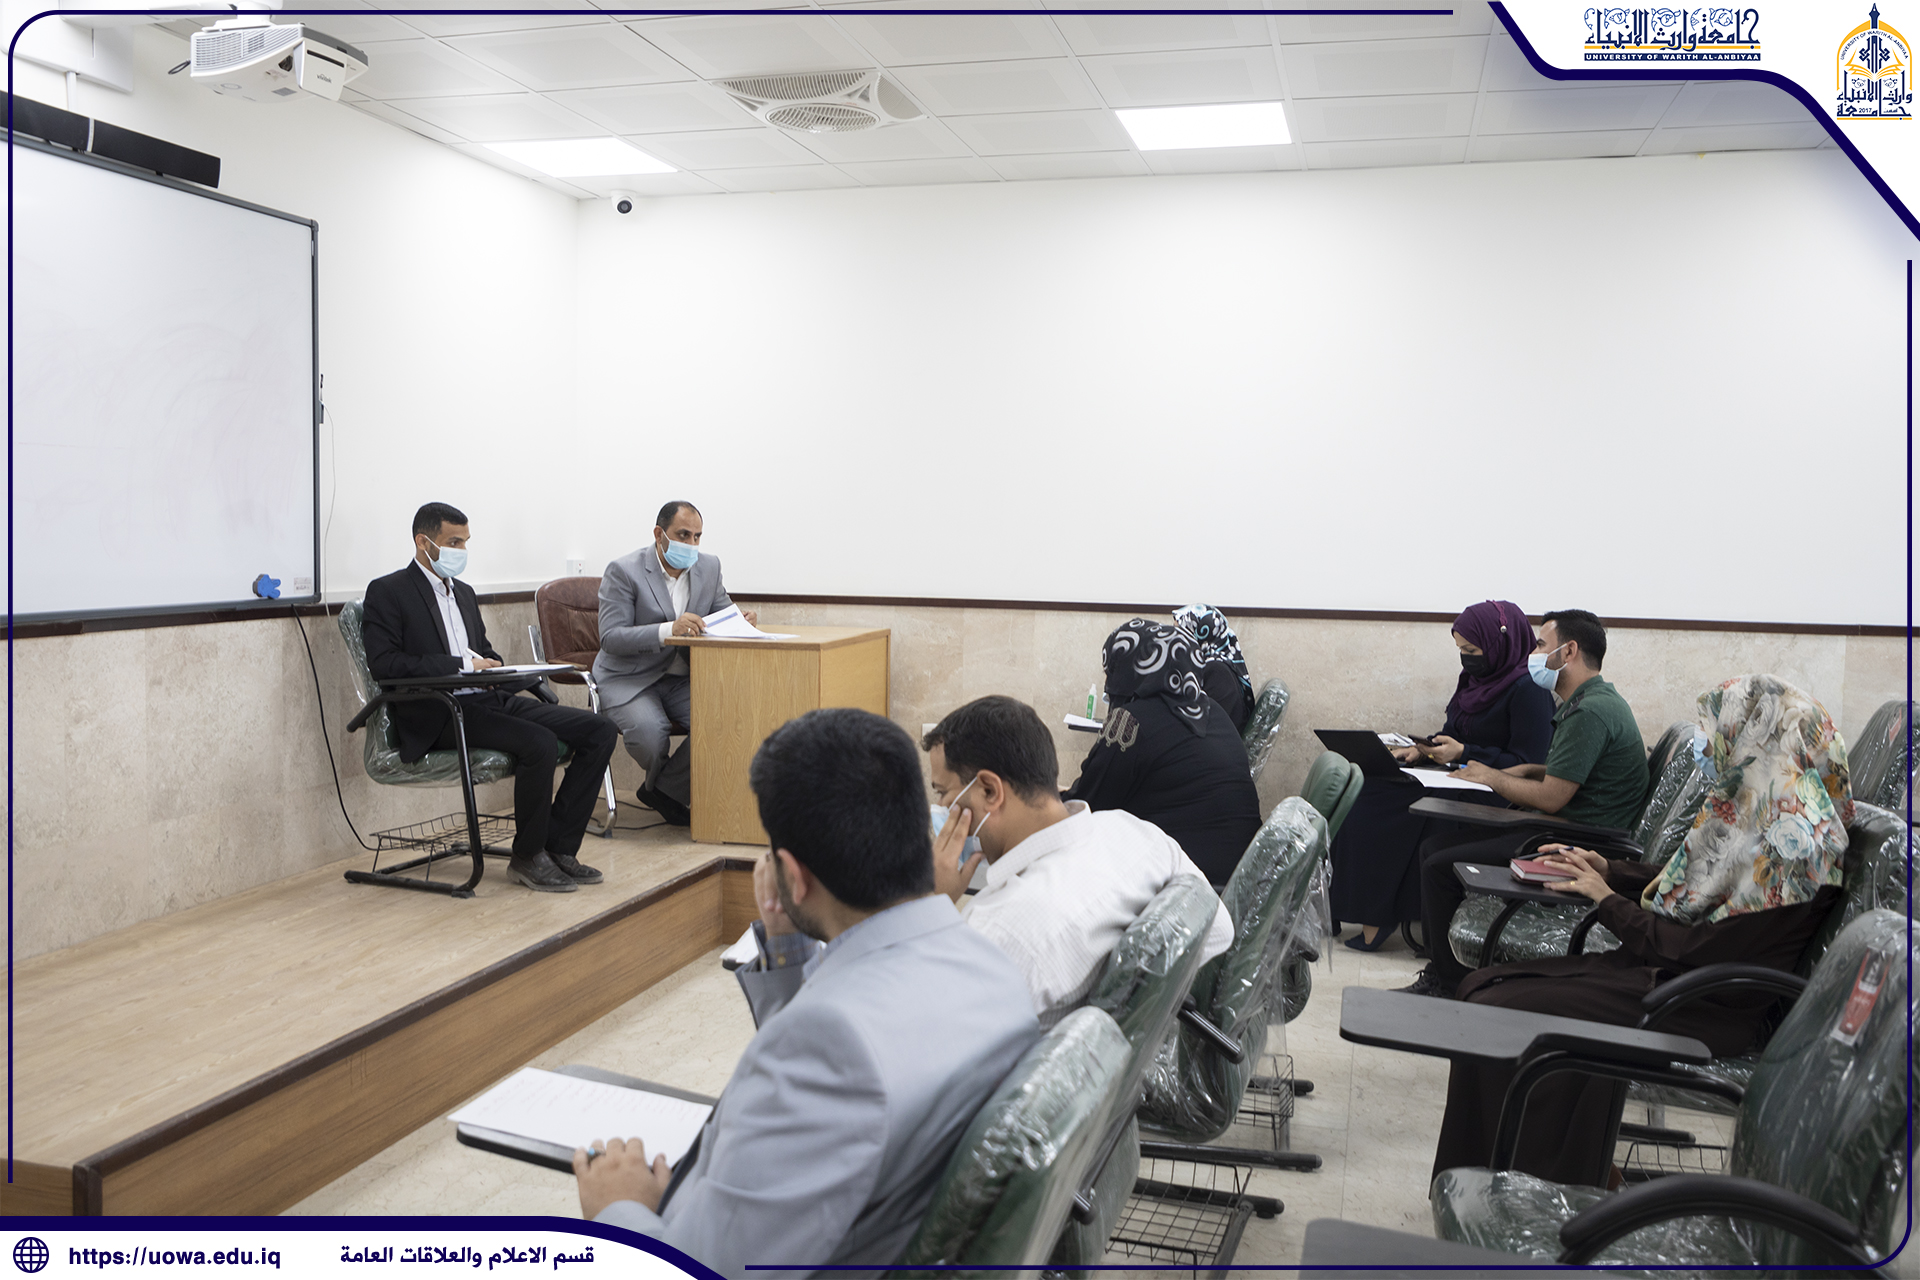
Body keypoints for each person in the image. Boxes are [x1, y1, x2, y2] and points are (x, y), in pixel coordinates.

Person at [574, 708, 1038, 1279]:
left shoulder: (829, 1047)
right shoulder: (993, 968)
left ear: (793, 876)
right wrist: (788, 944)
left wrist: (619, 1208)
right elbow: (834, 1074)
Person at [1429, 675, 1851, 1186]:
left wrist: (1607, 902)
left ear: (1761, 737)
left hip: (1699, 1000)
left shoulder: (1795, 846)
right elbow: (1690, 880)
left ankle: (1536, 1184)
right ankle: (1483, 1176)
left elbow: (1701, 950)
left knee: (1499, 1009)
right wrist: (1608, 870)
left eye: (1720, 731)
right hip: (1664, 974)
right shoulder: (1756, 806)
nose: (1709, 745)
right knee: (1480, 988)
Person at [921, 695, 1235, 1027]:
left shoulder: (998, 929)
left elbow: (922, 1030)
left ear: (989, 791)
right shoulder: (1135, 832)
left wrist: (930, 907)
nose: (940, 807)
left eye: (942, 793)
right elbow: (1220, 929)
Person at [361, 502, 619, 893]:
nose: (461, 551)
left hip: (486, 700)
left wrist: (496, 667)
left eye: (465, 542)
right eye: (453, 542)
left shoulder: (464, 593)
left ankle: (558, 848)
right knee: (539, 742)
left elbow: (480, 651)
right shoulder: (388, 591)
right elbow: (385, 664)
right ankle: (528, 856)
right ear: (423, 542)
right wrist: (461, 665)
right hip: (440, 711)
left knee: (600, 730)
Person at [1398, 609, 1649, 997]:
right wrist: (1526, 770)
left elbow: (1552, 797)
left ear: (1569, 652)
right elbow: (1567, 773)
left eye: (1541, 645)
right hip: (1563, 828)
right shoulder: (1593, 700)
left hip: (1576, 842)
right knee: (1434, 849)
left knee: (1438, 864)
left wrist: (1492, 776)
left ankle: (1449, 986)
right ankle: (1442, 972)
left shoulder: (1590, 712)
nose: (1532, 655)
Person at [1329, 600, 1553, 950]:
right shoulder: (1474, 680)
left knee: (1384, 807)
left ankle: (1378, 915)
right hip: (1457, 775)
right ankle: (1343, 905)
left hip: (1496, 791)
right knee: (1364, 787)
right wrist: (1425, 749)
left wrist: (1464, 753)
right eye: (1461, 649)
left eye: (1472, 650)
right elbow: (1454, 732)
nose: (1466, 658)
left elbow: (1529, 764)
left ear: (1499, 644)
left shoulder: (1529, 691)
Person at [593, 501, 755, 827]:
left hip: (681, 677)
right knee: (651, 737)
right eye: (683, 535)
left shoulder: (709, 567)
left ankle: (663, 791)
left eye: (697, 536)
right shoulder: (624, 571)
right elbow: (611, 637)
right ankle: (666, 790)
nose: (691, 544)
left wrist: (741, 621)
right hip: (629, 677)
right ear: (659, 534)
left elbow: (722, 613)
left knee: (729, 719)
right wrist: (669, 630)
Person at [1063, 620, 1263, 885]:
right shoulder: (1212, 710)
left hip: (1187, 884)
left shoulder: (1131, 721)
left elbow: (1086, 806)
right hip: (1237, 875)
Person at [1174, 603, 1256, 731]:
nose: (1173, 639)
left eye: (1179, 634)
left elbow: (1205, 724)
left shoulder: (1216, 671)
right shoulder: (1212, 664)